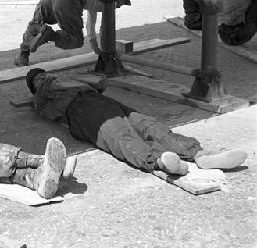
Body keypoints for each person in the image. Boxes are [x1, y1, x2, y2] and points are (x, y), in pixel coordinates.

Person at [25, 68, 247, 176]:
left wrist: (73, 78)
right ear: (35, 87)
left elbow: (100, 81)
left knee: (148, 124)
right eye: (38, 78)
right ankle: (160, 161)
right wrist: (57, 80)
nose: (44, 77)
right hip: (80, 114)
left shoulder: (68, 80)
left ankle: (200, 155)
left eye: (44, 74)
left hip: (103, 102)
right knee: (119, 136)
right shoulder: (42, 97)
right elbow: (53, 87)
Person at [14, 0, 132, 66]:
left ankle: (23, 55)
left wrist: (97, 50)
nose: (121, 6)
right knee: (75, 40)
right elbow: (94, 27)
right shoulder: (105, 1)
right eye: (124, 2)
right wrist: (99, 51)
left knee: (35, 24)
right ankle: (50, 34)